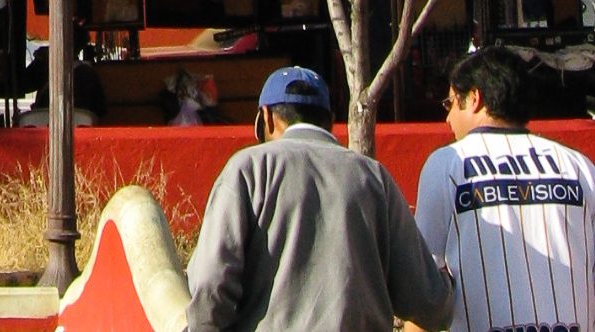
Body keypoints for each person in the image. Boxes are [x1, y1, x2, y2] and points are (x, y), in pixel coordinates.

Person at [187, 64, 452, 332]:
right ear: (330, 118)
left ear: (266, 118)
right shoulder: (373, 177)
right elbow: (429, 303)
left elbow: (211, 282)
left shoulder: (249, 169)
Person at [415, 40, 595, 331]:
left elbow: (423, 285)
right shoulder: (579, 166)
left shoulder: (448, 163)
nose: (447, 117)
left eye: (450, 103)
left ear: (474, 98)